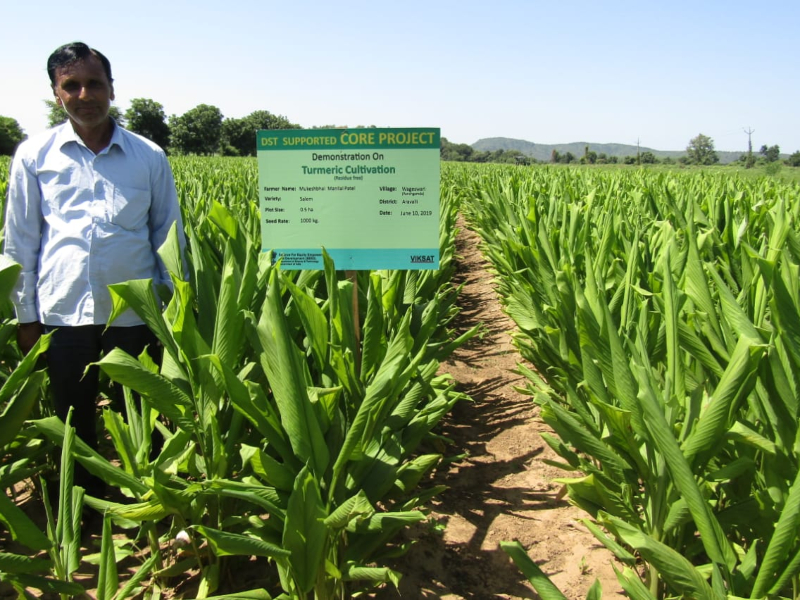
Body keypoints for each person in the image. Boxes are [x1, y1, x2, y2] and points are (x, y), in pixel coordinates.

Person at [3, 42, 186, 496]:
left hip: (133, 313)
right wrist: (26, 316)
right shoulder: (34, 155)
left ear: (111, 89)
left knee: (135, 413)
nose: (85, 94)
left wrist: (172, 314)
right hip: (62, 311)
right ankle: (82, 502)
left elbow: (169, 238)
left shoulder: (149, 156)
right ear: (56, 93)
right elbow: (20, 241)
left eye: (95, 83)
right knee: (73, 415)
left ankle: (139, 497)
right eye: (72, 85)